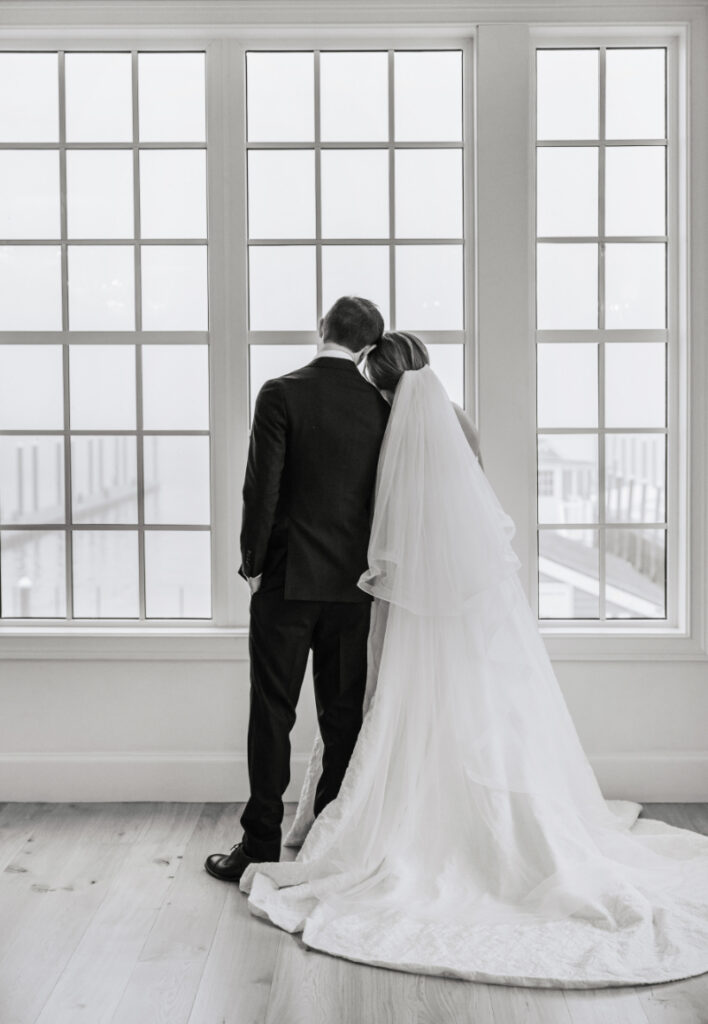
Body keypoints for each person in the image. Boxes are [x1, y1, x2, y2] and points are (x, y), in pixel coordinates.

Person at [239, 331, 708, 989]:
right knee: (466, 716)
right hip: (461, 597)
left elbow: (383, 518)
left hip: (403, 599)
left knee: (391, 711)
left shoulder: (391, 427)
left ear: (384, 379)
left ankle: (374, 831)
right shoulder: (454, 423)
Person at [204, 296, 390, 883]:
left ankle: (259, 845)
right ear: (368, 347)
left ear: (322, 328)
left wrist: (253, 565)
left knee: (271, 713)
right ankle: (327, 845)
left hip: (286, 581)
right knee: (343, 719)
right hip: (355, 587)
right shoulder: (383, 406)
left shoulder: (280, 392)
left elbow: (260, 488)